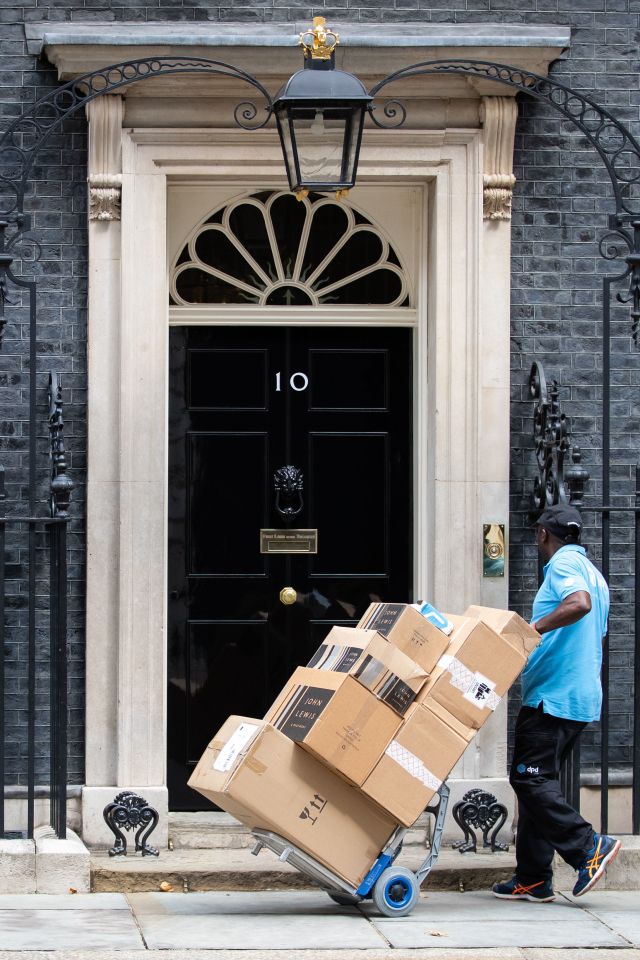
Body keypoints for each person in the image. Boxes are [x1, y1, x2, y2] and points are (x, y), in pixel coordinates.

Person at [493, 503, 620, 903]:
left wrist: (532, 630)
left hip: (553, 698)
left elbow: (577, 604)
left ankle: (588, 847)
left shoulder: (563, 568)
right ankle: (532, 878)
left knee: (527, 778)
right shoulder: (596, 575)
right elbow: (595, 633)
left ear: (543, 535)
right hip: (580, 697)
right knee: (538, 782)